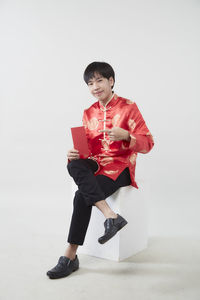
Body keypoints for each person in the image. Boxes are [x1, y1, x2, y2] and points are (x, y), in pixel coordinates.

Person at [46, 61, 154, 279]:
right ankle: (110, 214)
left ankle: (70, 255)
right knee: (73, 162)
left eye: (99, 80)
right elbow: (86, 151)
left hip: (120, 167)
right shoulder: (88, 112)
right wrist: (76, 153)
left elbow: (148, 143)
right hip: (96, 164)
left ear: (111, 81)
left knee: (81, 196)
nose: (95, 86)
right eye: (90, 83)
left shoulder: (129, 107)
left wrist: (126, 136)